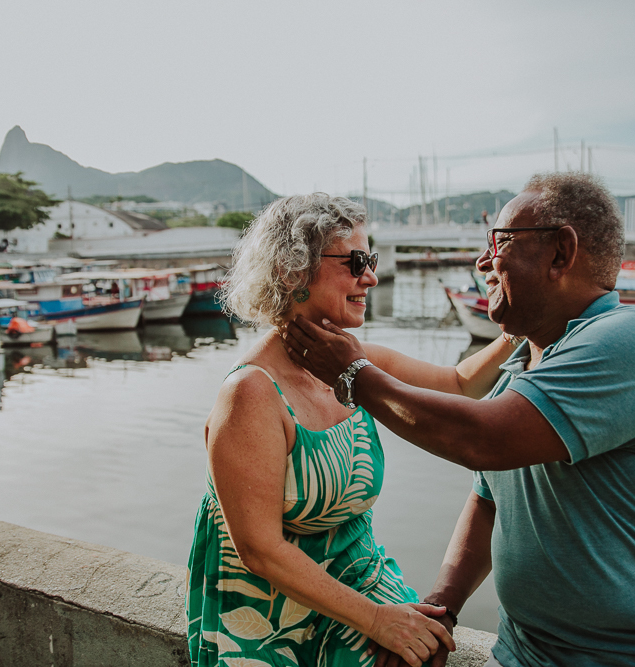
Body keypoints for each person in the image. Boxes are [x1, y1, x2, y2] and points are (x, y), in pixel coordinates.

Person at [284, 173, 635, 667]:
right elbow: (487, 501)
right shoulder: (521, 372)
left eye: (498, 243)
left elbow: (482, 440)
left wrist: (353, 373)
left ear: (560, 254)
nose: (483, 262)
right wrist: (441, 608)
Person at [188, 193, 514, 667]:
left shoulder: (352, 363)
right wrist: (379, 621)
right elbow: (259, 550)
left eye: (371, 259)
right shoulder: (251, 393)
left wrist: (518, 326)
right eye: (355, 261)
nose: (371, 276)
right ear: (292, 270)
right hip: (268, 610)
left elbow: (460, 383)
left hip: (357, 578)